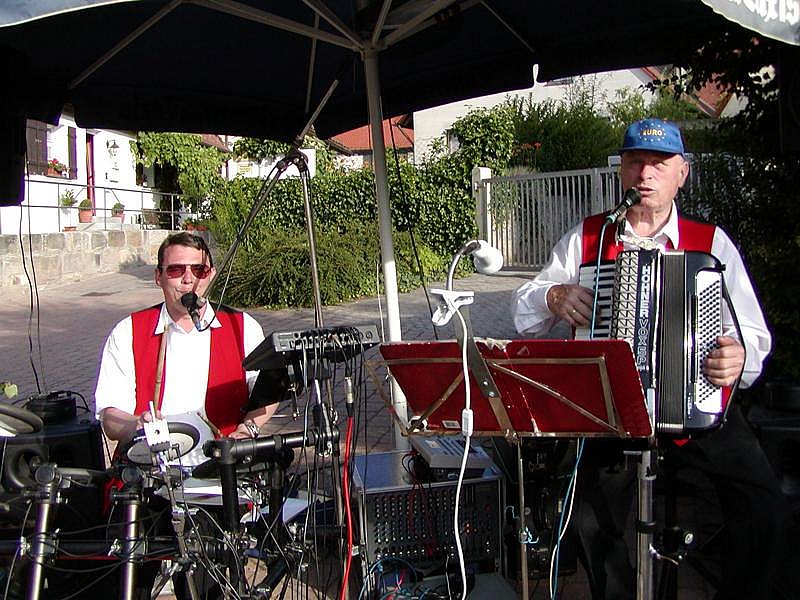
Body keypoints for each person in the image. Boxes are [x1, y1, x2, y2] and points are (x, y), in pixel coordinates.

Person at [510, 118, 787, 599]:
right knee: (587, 519)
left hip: (695, 408)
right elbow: (522, 314)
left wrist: (739, 360)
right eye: (636, 162)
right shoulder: (588, 238)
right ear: (622, 170)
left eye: (659, 164)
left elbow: (754, 335)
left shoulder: (711, 242)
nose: (645, 174)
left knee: (764, 507)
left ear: (682, 173)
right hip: (611, 415)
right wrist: (552, 296)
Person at [95, 231, 275, 598]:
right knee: (125, 583)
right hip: (148, 479)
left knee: (208, 587)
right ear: (158, 277)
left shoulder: (243, 328)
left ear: (210, 274)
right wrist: (137, 425)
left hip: (214, 479)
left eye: (198, 269)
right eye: (176, 270)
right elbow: (109, 416)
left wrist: (249, 429)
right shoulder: (129, 331)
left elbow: (268, 395)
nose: (188, 279)